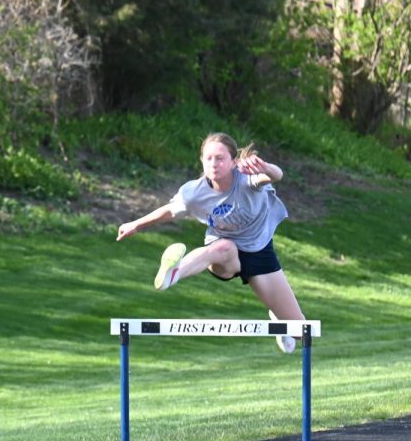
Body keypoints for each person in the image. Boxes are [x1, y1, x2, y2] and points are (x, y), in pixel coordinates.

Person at [116, 132, 305, 353]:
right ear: (202, 162)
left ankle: (279, 323)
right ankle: (172, 274)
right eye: (208, 158)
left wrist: (266, 167)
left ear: (233, 162)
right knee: (223, 246)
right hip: (224, 254)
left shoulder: (247, 180)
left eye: (220, 158)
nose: (214, 164)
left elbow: (276, 176)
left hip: (259, 252)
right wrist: (136, 224)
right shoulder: (194, 192)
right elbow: (169, 211)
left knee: (300, 330)